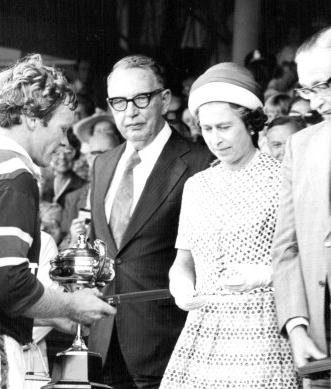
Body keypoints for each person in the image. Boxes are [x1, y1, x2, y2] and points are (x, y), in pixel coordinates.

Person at [0, 54, 116, 388]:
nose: (65, 142)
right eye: (62, 129)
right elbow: (7, 282)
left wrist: (55, 312)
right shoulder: (14, 176)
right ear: (33, 118)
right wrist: (71, 304)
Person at [161, 62, 299, 388]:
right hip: (205, 325)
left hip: (263, 326)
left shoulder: (283, 180)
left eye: (224, 127)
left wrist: (266, 274)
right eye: (207, 129)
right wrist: (180, 285)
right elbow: (183, 261)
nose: (215, 139)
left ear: (250, 123)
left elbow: (305, 258)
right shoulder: (197, 186)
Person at [87, 54, 214, 389]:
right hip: (103, 344)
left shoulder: (200, 162)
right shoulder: (102, 165)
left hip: (168, 344)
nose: (130, 112)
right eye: (119, 102)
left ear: (166, 100)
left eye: (141, 99)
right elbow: (101, 250)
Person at [272, 26, 331, 389]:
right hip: (321, 338)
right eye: (308, 89)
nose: (316, 102)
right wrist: (296, 327)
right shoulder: (301, 146)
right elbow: (287, 247)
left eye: (325, 85)